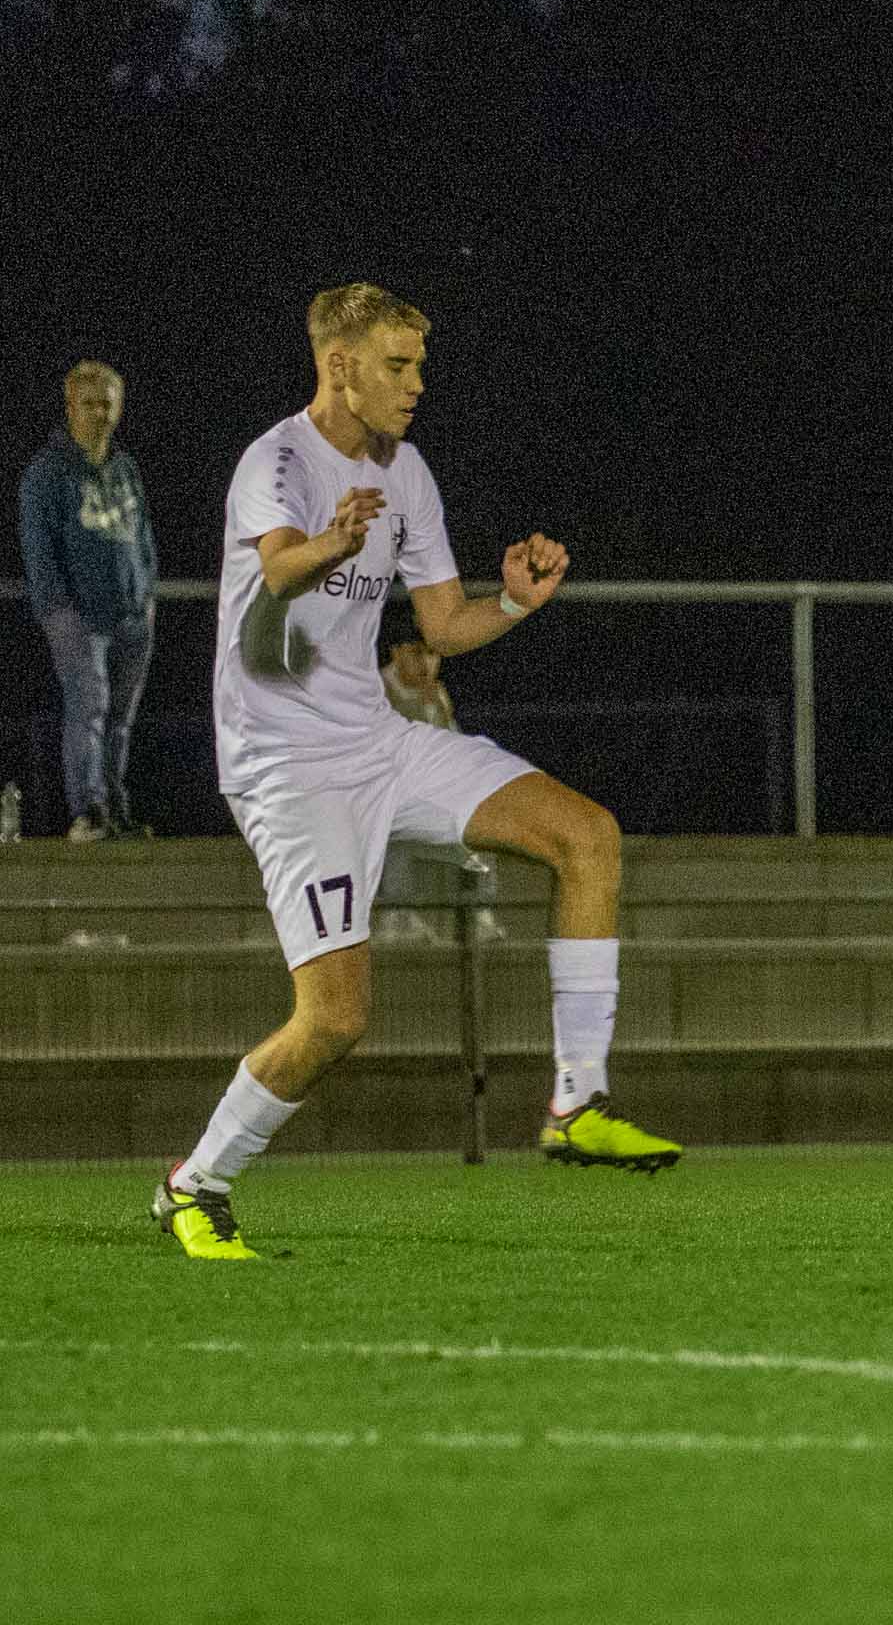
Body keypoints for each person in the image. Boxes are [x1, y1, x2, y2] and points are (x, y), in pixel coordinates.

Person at [156, 284, 677, 1262]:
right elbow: (275, 569)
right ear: (340, 365)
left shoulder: (410, 473)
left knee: (587, 834)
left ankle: (576, 1101)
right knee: (337, 1017)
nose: (417, 384)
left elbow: (442, 626)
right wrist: (332, 544)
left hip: (378, 738)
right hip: (286, 764)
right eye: (398, 364)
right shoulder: (273, 460)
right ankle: (197, 1180)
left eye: (420, 365)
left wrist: (515, 602)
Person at [21, 359, 158, 840]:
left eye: (108, 403)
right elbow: (38, 549)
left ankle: (116, 810)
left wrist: (147, 596)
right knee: (89, 708)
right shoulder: (47, 473)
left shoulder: (124, 467)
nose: (100, 413)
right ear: (70, 407)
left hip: (131, 616)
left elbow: (141, 537)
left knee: (120, 718)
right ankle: (88, 810)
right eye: (90, 404)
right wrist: (57, 608)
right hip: (78, 617)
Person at [374, 622, 505, 944]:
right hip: (378, 794)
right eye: (418, 653)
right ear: (396, 653)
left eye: (433, 654)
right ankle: (398, 917)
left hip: (427, 792)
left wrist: (433, 707)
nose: (427, 663)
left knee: (482, 824)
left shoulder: (436, 693)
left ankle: (479, 915)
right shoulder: (374, 691)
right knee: (398, 824)